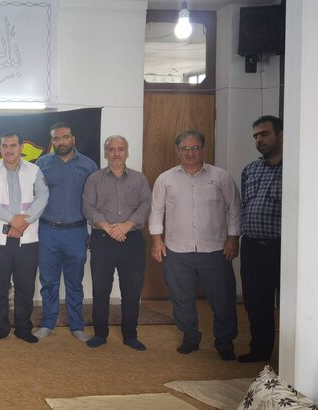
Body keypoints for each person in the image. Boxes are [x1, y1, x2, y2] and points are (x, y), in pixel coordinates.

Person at [150, 130, 241, 360]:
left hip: (215, 250)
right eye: (185, 148)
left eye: (195, 148)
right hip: (177, 250)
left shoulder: (220, 176)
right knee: (181, 299)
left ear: (203, 149)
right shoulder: (165, 179)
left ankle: (225, 342)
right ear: (178, 151)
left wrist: (233, 238)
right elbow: (157, 210)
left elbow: (234, 208)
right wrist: (157, 239)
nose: (190, 152)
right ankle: (190, 338)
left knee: (223, 300)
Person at [81, 136, 151, 351]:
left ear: (127, 152)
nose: (116, 153)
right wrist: (109, 228)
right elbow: (88, 207)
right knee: (101, 289)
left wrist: (126, 226)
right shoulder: (94, 179)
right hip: (103, 239)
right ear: (105, 153)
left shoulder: (139, 179)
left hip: (132, 240)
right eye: (111, 149)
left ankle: (130, 335)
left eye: (120, 149)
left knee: (131, 290)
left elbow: (146, 205)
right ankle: (100, 334)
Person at [0, 132, 48, 344]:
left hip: (27, 238)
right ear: (0, 148)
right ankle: (0, 328)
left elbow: (43, 197)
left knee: (25, 287)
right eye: (5, 146)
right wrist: (13, 220)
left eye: (13, 145)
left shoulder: (34, 170)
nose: (9, 150)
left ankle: (23, 328)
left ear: (21, 147)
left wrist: (21, 224)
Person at [35, 122, 98, 341]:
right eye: (56, 138)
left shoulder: (89, 165)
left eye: (65, 137)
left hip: (76, 232)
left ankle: (77, 326)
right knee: (48, 281)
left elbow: (95, 200)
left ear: (73, 139)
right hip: (47, 231)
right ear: (52, 141)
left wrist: (94, 230)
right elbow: (33, 196)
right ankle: (48, 323)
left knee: (74, 282)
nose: (61, 141)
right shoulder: (42, 164)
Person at [238, 115, 283, 363]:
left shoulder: (297, 168)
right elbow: (245, 205)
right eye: (256, 136)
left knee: (290, 303)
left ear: (281, 135)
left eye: (264, 134)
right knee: (255, 301)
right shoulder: (250, 170)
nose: (259, 140)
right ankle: (260, 350)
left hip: (283, 248)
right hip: (253, 246)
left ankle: (292, 355)